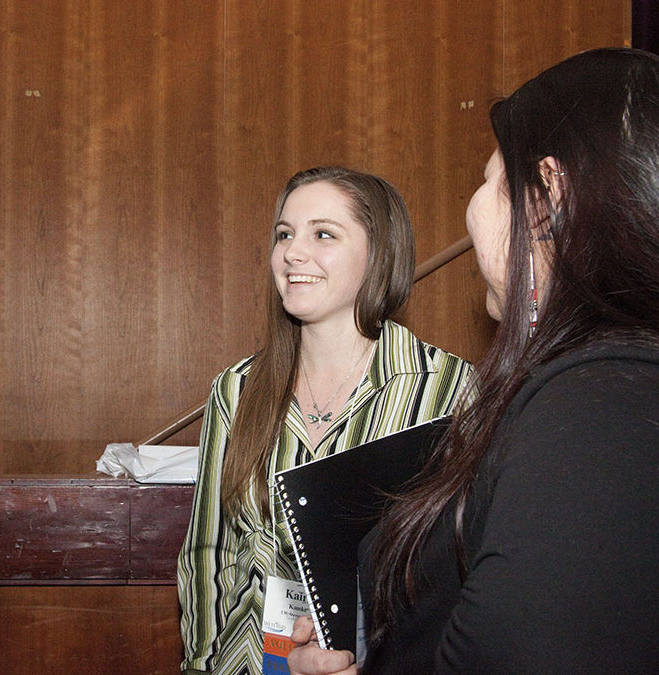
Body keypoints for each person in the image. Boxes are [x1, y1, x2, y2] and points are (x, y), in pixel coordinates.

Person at [287, 48, 659, 674]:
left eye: (491, 178)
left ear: (547, 196)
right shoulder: (622, 396)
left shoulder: (616, 416)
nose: (475, 209)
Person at [177, 166, 476, 674]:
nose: (293, 252)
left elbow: (460, 574)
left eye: (323, 234)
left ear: (378, 254)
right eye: (285, 234)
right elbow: (208, 553)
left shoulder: (448, 391)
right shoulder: (238, 389)